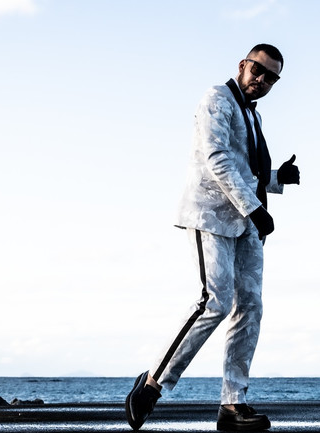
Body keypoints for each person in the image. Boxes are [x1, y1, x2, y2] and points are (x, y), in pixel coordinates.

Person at [125, 43, 300, 431]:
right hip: (211, 215)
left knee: (250, 306)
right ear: (243, 65)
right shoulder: (217, 98)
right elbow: (216, 158)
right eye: (258, 70)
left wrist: (277, 179)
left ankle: (233, 404)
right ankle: (152, 382)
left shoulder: (254, 116)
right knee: (214, 302)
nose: (262, 79)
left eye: (271, 77)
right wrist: (255, 208)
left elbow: (247, 170)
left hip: (246, 223)